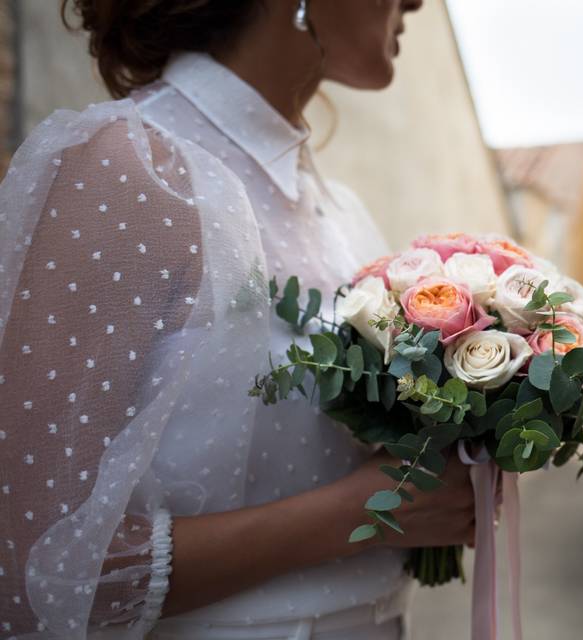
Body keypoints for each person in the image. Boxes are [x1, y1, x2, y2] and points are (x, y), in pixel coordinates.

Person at [0, 1, 479, 638]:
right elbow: (34, 570)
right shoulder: (129, 167)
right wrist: (370, 509)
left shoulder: (339, 211)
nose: (417, 2)